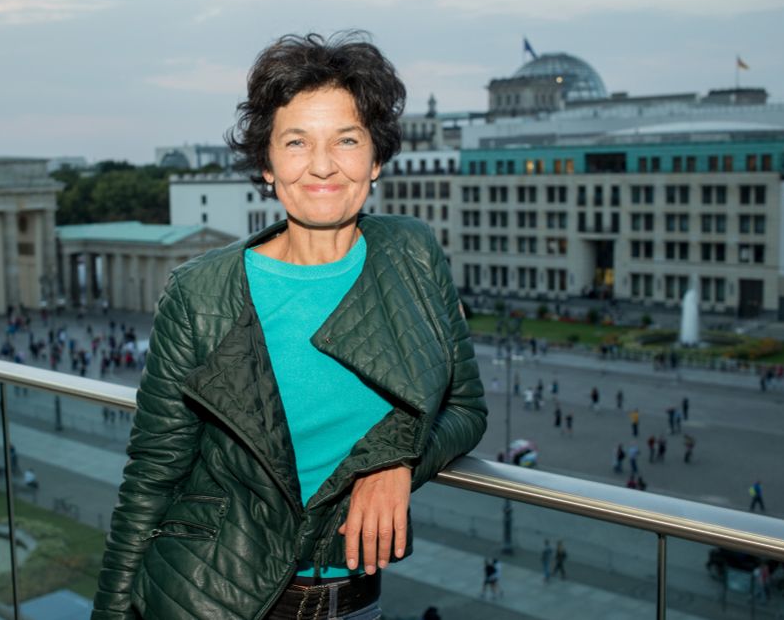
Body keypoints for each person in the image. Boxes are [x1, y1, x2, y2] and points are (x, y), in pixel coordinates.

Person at [92, 32, 488, 620]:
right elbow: (153, 477)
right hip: (212, 600)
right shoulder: (200, 293)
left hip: (356, 605)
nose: (322, 165)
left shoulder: (413, 253)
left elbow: (468, 409)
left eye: (347, 140)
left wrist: (397, 461)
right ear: (267, 164)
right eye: (296, 141)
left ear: (376, 159)